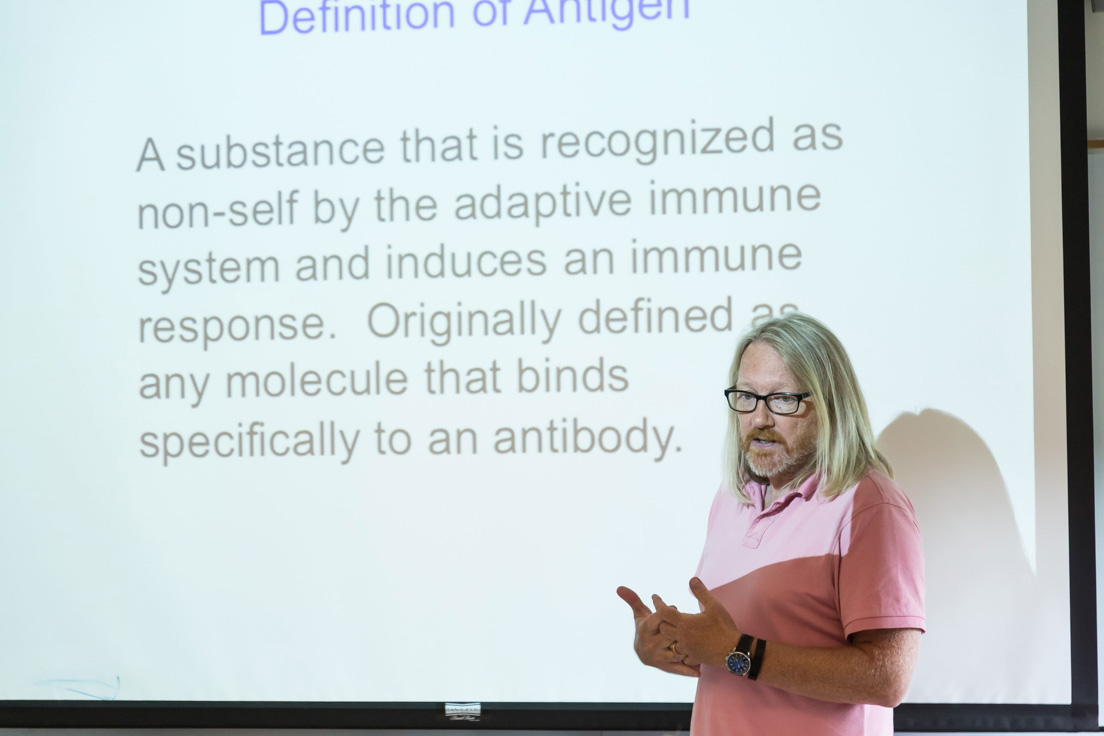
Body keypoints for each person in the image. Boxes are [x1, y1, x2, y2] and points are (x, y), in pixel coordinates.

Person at [617, 313, 925, 735]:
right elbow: (737, 651)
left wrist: (734, 651)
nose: (759, 419)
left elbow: (887, 678)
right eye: (746, 397)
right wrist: (669, 645)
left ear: (831, 402)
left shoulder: (868, 504)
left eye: (782, 400)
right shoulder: (732, 499)